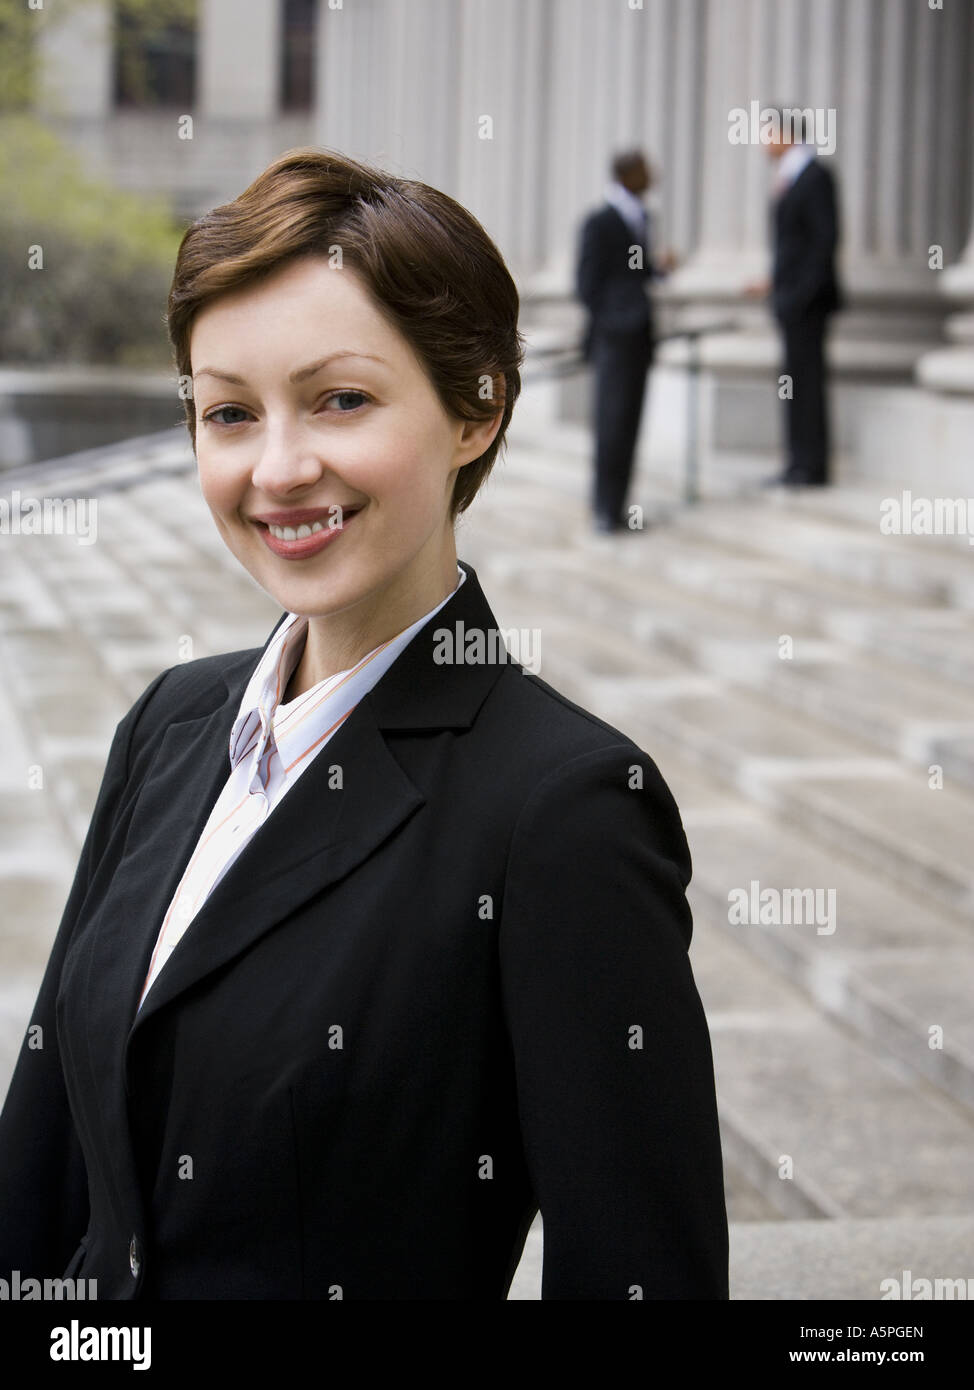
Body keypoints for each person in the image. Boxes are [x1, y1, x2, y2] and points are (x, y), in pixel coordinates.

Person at [0, 148, 728, 1301]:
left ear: (476, 406)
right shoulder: (171, 721)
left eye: (340, 397)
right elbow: (41, 1163)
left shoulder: (565, 810)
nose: (279, 468)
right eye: (229, 412)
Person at [575, 149, 674, 533]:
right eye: (646, 170)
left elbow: (635, 273)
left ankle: (617, 509)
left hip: (639, 340)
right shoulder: (600, 221)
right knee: (611, 424)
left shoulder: (643, 217)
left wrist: (657, 269)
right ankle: (603, 510)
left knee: (629, 423)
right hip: (613, 341)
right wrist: (617, 320)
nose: (653, 175)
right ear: (628, 174)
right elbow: (586, 284)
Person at [750, 110, 843, 487]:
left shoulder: (815, 176)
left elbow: (824, 241)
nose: (762, 141)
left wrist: (799, 293)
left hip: (807, 303)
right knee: (793, 381)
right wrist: (774, 282)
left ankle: (810, 465)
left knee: (806, 382)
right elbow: (793, 246)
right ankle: (797, 462)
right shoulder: (789, 178)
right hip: (791, 299)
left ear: (787, 134)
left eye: (767, 133)